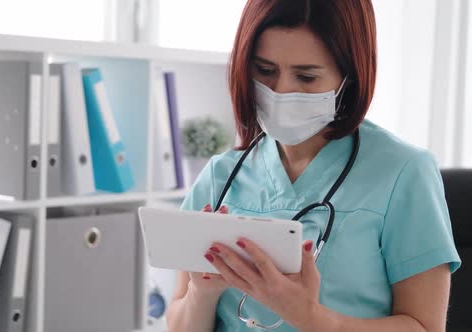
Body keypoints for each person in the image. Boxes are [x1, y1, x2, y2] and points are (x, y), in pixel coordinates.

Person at [166, 0, 461, 331]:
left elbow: (425, 326)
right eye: (265, 71)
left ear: (349, 76)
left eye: (306, 77)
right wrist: (201, 295)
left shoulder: (404, 172)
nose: (281, 91)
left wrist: (312, 318)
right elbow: (179, 322)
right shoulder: (220, 176)